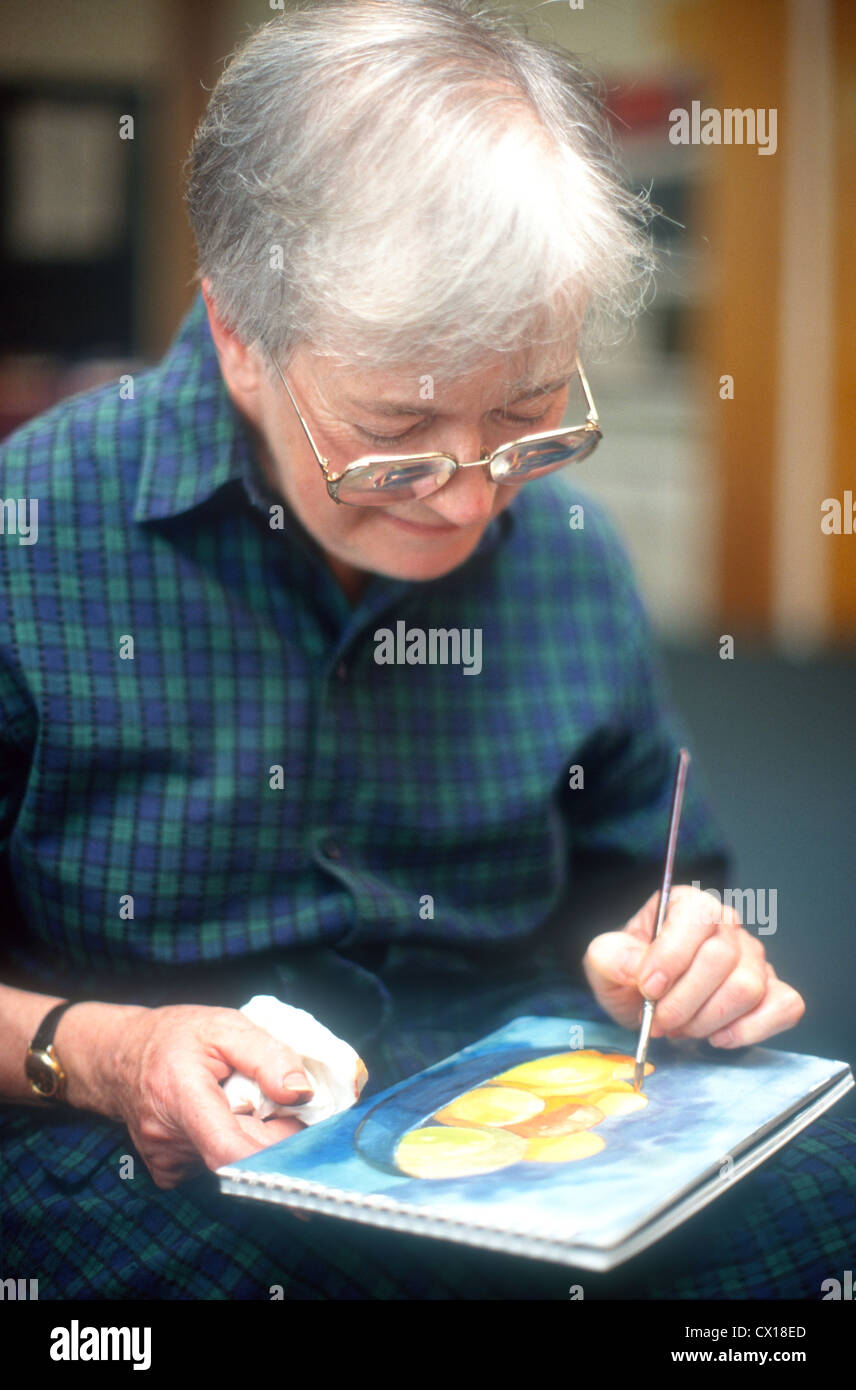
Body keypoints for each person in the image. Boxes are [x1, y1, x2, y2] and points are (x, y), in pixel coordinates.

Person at [0, 0, 847, 1302]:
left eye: (527, 415)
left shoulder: (566, 553)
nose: (466, 497)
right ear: (238, 337)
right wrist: (104, 1050)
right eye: (397, 432)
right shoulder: (34, 535)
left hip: (528, 1118)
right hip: (147, 1150)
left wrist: (675, 951)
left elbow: (645, 880)